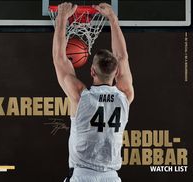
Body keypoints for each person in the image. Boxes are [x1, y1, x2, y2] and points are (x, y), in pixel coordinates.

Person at [52, 2, 134, 182]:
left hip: (82, 176)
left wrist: (62, 18)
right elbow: (122, 57)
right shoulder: (125, 95)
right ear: (117, 72)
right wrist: (113, 18)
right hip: (112, 178)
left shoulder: (80, 96)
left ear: (92, 71)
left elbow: (59, 59)